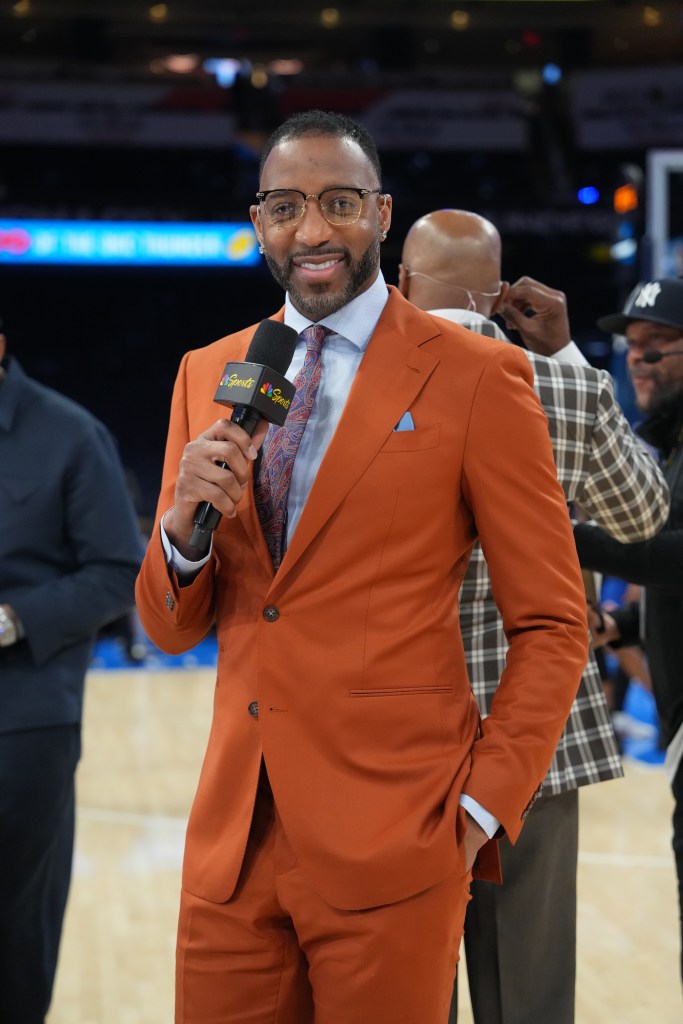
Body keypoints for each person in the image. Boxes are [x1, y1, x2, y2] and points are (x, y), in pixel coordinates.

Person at [135, 110, 590, 1024]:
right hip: (234, 845)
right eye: (286, 207)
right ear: (257, 222)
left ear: (382, 216)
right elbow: (170, 624)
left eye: (339, 203)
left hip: (400, 842)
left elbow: (552, 621)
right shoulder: (209, 371)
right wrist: (183, 531)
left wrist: (482, 810)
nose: (312, 231)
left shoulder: (473, 377)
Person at [398, 209, 670, 1024]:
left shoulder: (352, 380)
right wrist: (563, 355)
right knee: (530, 996)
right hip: (539, 737)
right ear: (498, 295)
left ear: (401, 284)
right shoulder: (561, 382)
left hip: (393, 738)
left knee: (402, 986)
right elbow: (642, 516)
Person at [0, 319, 143, 1023]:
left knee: (14, 931)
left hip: (22, 724)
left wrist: (11, 619)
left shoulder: (68, 434)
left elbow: (119, 573)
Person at [572, 276, 683, 981]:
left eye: (660, 346)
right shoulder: (666, 449)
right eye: (632, 347)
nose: (638, 359)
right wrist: (618, 623)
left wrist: (561, 534)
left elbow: (672, 554)